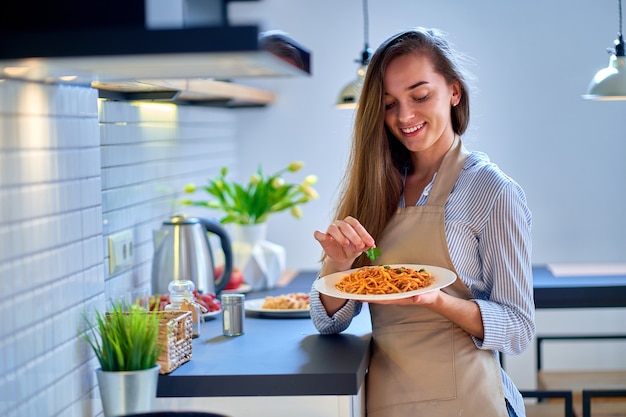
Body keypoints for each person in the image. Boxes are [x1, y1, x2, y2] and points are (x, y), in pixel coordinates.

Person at [310, 27, 535, 417]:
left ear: (453, 91)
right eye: (389, 104)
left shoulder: (492, 191)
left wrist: (438, 301)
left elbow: (517, 327)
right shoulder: (376, 186)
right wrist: (339, 265)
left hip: (469, 399)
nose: (405, 116)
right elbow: (328, 323)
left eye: (420, 95)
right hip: (387, 398)